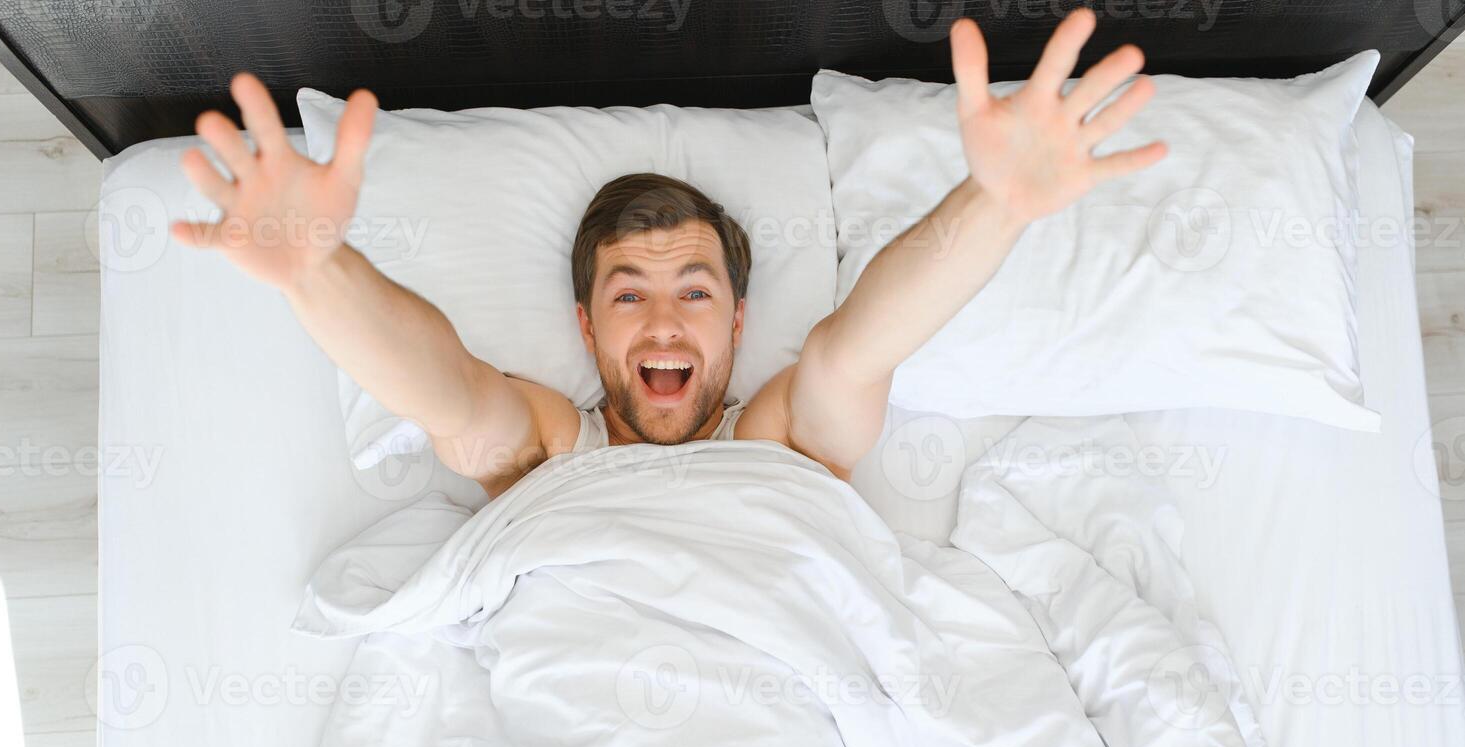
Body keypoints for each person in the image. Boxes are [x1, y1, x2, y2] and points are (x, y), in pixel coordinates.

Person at [172, 9, 1164, 498]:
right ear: (584, 326)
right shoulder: (551, 450)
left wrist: (992, 204)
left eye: (695, 290)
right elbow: (449, 394)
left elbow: (855, 348)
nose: (661, 320)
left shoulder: (778, 443)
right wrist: (316, 268)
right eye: (628, 293)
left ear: (737, 322)